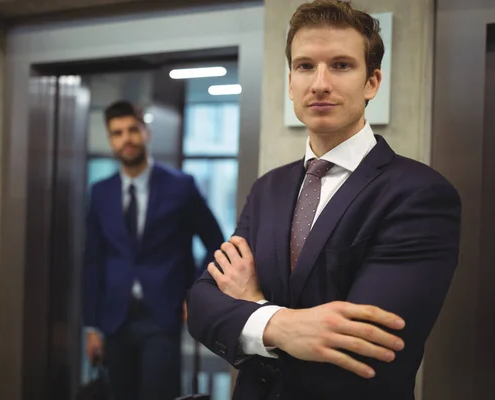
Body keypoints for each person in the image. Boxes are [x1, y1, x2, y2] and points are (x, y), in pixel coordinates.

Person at [187, 1, 462, 399]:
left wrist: (250, 307)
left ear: (372, 82)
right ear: (290, 84)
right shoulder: (268, 188)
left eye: (341, 65)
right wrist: (281, 324)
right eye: (304, 66)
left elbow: (365, 347)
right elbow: (201, 304)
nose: (319, 83)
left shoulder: (419, 194)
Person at [83, 100, 224, 400]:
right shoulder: (100, 192)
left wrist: (196, 292)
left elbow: (215, 242)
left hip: (162, 315)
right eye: (117, 133)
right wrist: (92, 326)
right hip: (115, 317)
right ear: (111, 140)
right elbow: (93, 260)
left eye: (133, 129)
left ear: (145, 132)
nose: (127, 139)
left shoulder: (181, 186)